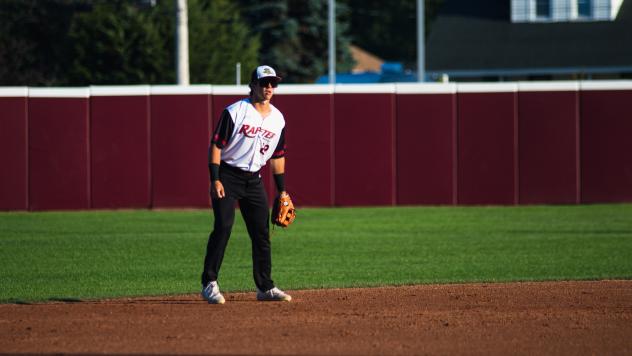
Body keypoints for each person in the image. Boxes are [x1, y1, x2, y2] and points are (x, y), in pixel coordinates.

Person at [201, 65, 291, 304]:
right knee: (223, 227)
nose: (269, 87)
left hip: (254, 179)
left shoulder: (278, 119)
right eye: (264, 83)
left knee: (261, 233)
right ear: (252, 85)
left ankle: (265, 287)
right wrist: (215, 178)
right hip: (228, 176)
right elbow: (216, 145)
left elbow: (278, 156)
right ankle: (209, 283)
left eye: (273, 83)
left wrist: (282, 190)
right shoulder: (235, 111)